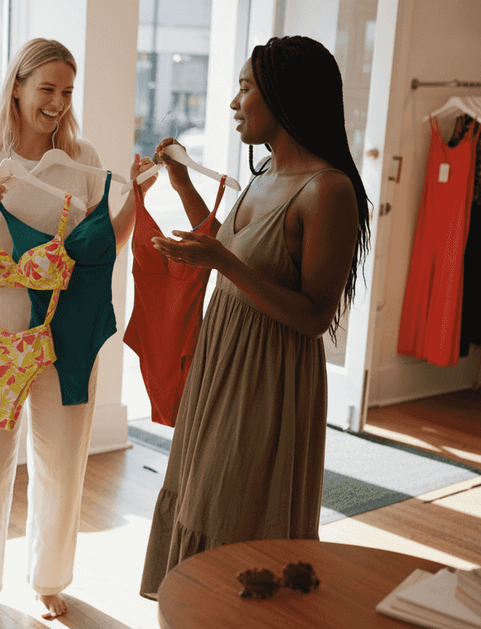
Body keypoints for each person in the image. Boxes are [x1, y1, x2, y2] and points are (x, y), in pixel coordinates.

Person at [139, 35, 370, 598]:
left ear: (284, 97)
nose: (234, 103)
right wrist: (184, 186)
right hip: (223, 358)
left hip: (270, 373)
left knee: (236, 502)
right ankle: (198, 607)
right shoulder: (266, 174)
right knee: (199, 489)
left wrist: (221, 262)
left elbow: (315, 317)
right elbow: (230, 247)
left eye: (245, 88)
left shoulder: (327, 191)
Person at [0, 37, 155, 624]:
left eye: (66, 91)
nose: (58, 102)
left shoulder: (82, 160)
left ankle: (49, 579)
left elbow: (104, 247)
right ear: (17, 86)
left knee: (61, 462)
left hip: (63, 330)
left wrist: (133, 195)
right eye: (47, 89)